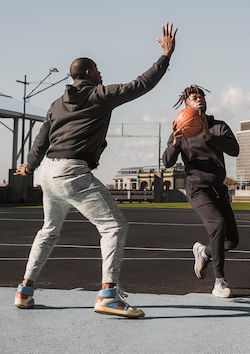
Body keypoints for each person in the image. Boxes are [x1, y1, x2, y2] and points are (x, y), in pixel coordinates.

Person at [13, 22, 177, 318]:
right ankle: (108, 295)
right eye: (98, 70)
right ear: (88, 74)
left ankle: (25, 289)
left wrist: (30, 165)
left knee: (49, 231)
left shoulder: (56, 103)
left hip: (48, 172)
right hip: (72, 170)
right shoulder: (99, 94)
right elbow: (140, 84)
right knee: (114, 226)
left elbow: (41, 138)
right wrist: (165, 56)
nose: (101, 73)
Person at [162, 85, 239, 298]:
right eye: (194, 97)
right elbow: (167, 162)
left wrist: (209, 136)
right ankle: (219, 282)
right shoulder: (181, 130)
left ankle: (203, 252)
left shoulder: (218, 126)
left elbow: (235, 150)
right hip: (197, 189)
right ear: (187, 104)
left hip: (219, 189)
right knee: (218, 225)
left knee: (232, 241)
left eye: (201, 96)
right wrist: (175, 145)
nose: (199, 100)